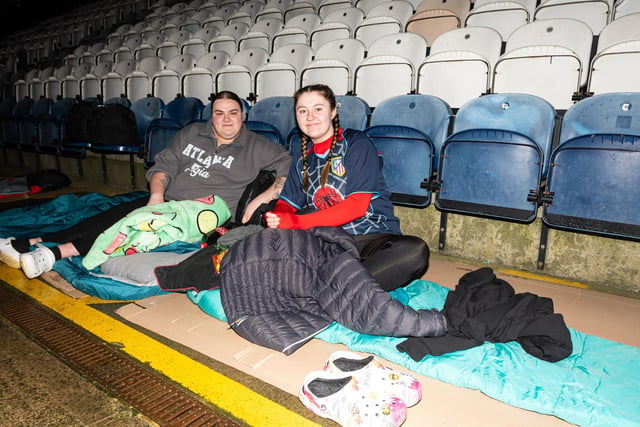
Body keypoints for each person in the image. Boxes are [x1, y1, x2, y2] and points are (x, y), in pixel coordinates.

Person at [0, 91, 292, 279]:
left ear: (243, 115)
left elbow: (288, 166)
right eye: (219, 113)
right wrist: (156, 195)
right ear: (210, 116)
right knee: (109, 216)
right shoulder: (192, 133)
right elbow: (163, 167)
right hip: (166, 200)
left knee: (133, 226)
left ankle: (54, 253)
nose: (226, 119)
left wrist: (262, 197)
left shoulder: (258, 145)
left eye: (233, 112)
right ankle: (33, 241)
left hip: (201, 213)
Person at [265, 84, 429, 291]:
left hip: (370, 237)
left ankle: (330, 289)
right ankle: (342, 289)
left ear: (333, 112)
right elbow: (286, 203)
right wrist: (279, 217)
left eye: (318, 109)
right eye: (302, 111)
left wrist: (296, 222)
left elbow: (356, 207)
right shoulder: (302, 159)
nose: (310, 117)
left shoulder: (357, 143)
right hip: (328, 241)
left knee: (413, 251)